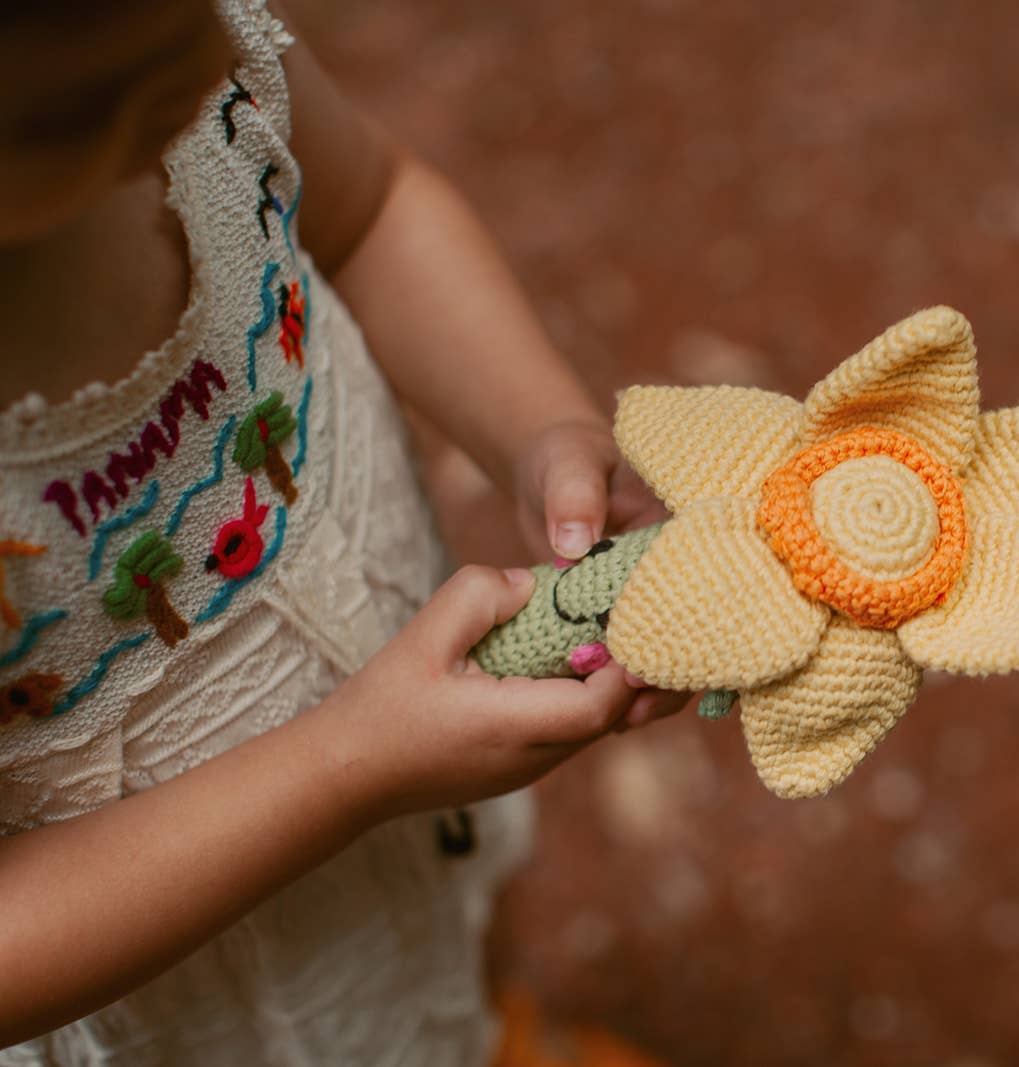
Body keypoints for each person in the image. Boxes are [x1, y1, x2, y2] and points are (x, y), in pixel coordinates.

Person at [0, 0, 687, 1061]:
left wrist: (537, 425)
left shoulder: (182, 49)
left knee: (453, 918)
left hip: (408, 740)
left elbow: (374, 209)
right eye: (86, 111)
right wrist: (351, 765)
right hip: (179, 1000)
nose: (190, 88)